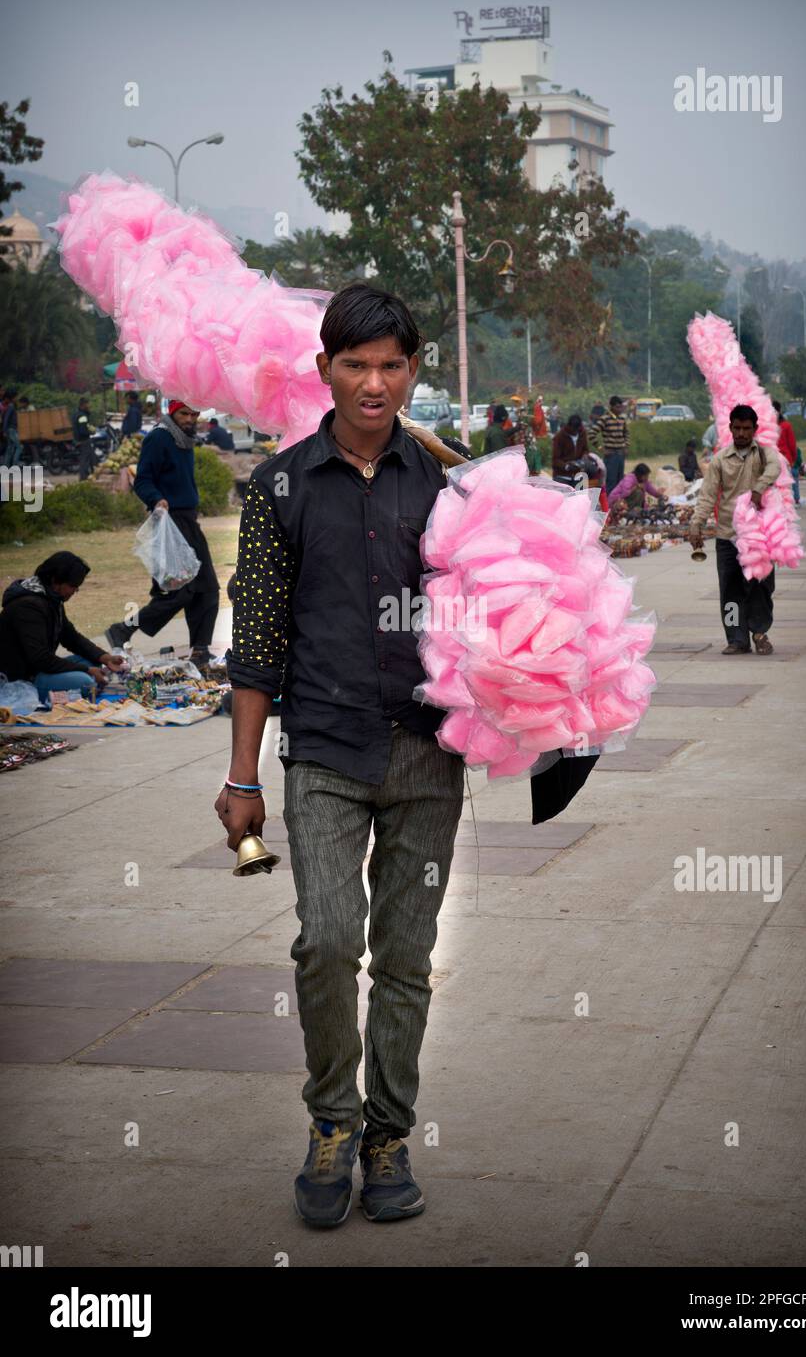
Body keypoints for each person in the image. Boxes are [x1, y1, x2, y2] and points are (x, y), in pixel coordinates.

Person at [218, 283, 466, 1230]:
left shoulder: (447, 482)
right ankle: (332, 1120)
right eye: (354, 364)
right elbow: (257, 646)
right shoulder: (278, 487)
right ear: (323, 368)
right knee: (328, 941)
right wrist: (242, 777)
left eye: (392, 365)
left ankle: (388, 1135)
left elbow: (495, 616)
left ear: (412, 370)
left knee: (406, 957)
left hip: (427, 755)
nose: (373, 382)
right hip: (321, 750)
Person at [104, 399, 220, 669]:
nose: (190, 419)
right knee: (180, 591)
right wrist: (157, 499)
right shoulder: (159, 438)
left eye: (194, 414)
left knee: (208, 588)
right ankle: (123, 629)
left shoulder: (186, 439)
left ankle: (201, 650)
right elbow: (143, 479)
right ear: (172, 412)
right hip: (169, 521)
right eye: (184, 414)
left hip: (188, 521)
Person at [690, 404, 782, 655]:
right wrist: (696, 524)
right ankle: (736, 639)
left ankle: (760, 632)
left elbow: (776, 469)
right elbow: (708, 496)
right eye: (737, 428)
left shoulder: (764, 454)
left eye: (746, 429)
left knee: (761, 587)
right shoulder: (720, 459)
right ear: (730, 428)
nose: (741, 433)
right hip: (727, 535)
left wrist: (758, 489)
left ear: (755, 429)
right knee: (730, 590)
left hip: (759, 535)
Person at [0, 551, 126, 704]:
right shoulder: (28, 607)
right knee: (85, 682)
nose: (74, 592)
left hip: (41, 668)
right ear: (55, 581)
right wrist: (86, 670)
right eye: (73, 586)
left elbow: (70, 637)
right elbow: (40, 658)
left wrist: (105, 657)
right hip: (25, 678)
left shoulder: (51, 598)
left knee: (95, 662)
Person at [591, 395, 629, 492]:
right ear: (611, 407)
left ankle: (617, 503)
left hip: (621, 454)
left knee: (620, 480)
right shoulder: (604, 419)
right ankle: (608, 503)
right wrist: (601, 448)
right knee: (610, 481)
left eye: (621, 407)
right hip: (611, 454)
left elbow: (626, 433)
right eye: (617, 407)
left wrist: (626, 446)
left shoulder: (622, 419)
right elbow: (592, 434)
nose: (619, 409)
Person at [772, 399, 799, 505]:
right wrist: (793, 458)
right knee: (786, 483)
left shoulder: (766, 427)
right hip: (785, 458)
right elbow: (792, 444)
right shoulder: (786, 425)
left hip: (773, 458)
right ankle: (790, 501)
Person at [73, 397, 96, 480]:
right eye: (88, 404)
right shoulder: (82, 416)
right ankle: (83, 478)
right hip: (84, 440)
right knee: (85, 459)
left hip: (79, 440)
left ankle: (94, 474)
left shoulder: (77, 414)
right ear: (83, 405)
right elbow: (83, 430)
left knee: (92, 458)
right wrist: (91, 431)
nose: (89, 406)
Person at [2, 387, 23, 469]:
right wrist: (4, 431)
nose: (17, 399)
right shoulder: (11, 406)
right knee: (19, 447)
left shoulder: (11, 406)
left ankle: (5, 467)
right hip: (11, 430)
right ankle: (14, 466)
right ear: (13, 398)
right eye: (16, 397)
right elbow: (6, 419)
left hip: (10, 430)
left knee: (10, 448)